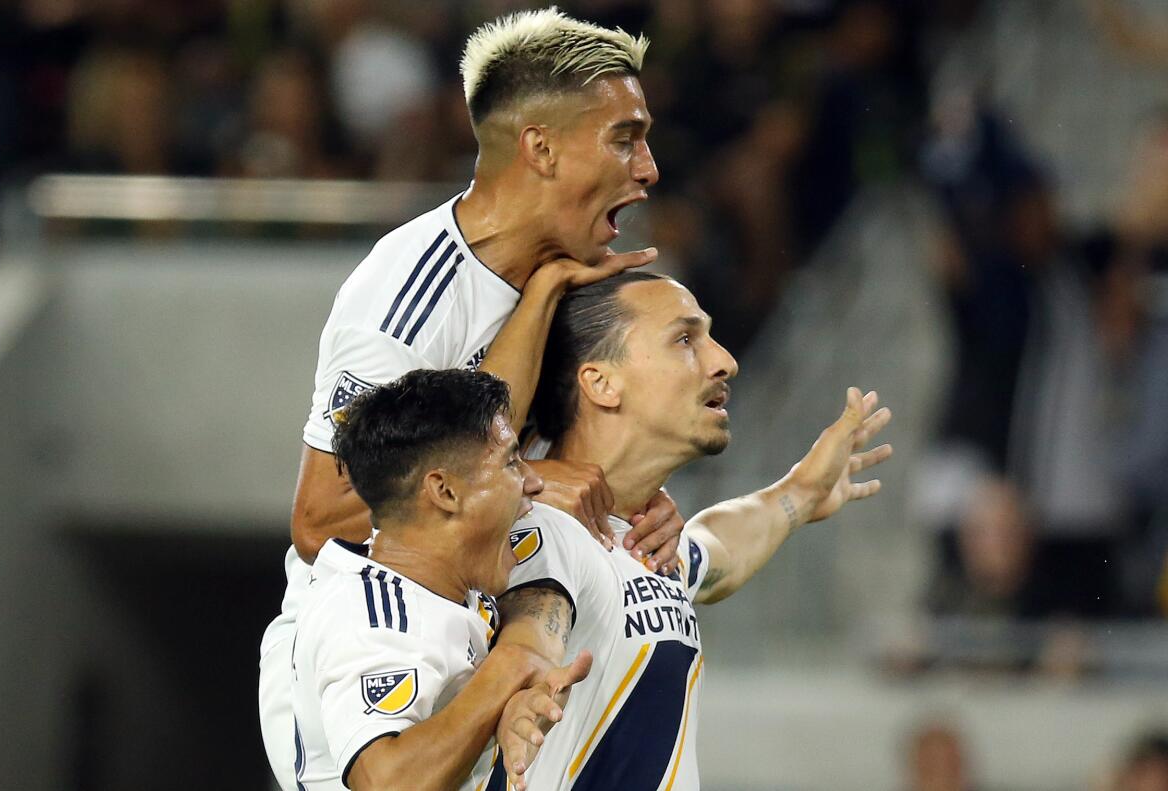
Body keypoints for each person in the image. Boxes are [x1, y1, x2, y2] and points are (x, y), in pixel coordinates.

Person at [261, 9, 684, 789]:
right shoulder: (407, 300)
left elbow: (560, 466)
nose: (649, 167)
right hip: (378, 663)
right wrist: (534, 487)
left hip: (484, 640)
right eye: (625, 137)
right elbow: (320, 518)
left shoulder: (560, 282)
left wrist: (640, 503)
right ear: (542, 148)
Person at [489, 271, 893, 789]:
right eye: (685, 339)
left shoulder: (644, 544)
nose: (724, 359)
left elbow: (715, 552)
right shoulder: (533, 535)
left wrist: (798, 495)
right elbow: (524, 647)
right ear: (601, 383)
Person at [292, 368, 591, 790]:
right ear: (444, 492)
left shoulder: (445, 596)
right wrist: (508, 668)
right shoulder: (370, 616)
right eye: (510, 462)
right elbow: (386, 783)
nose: (534, 481)